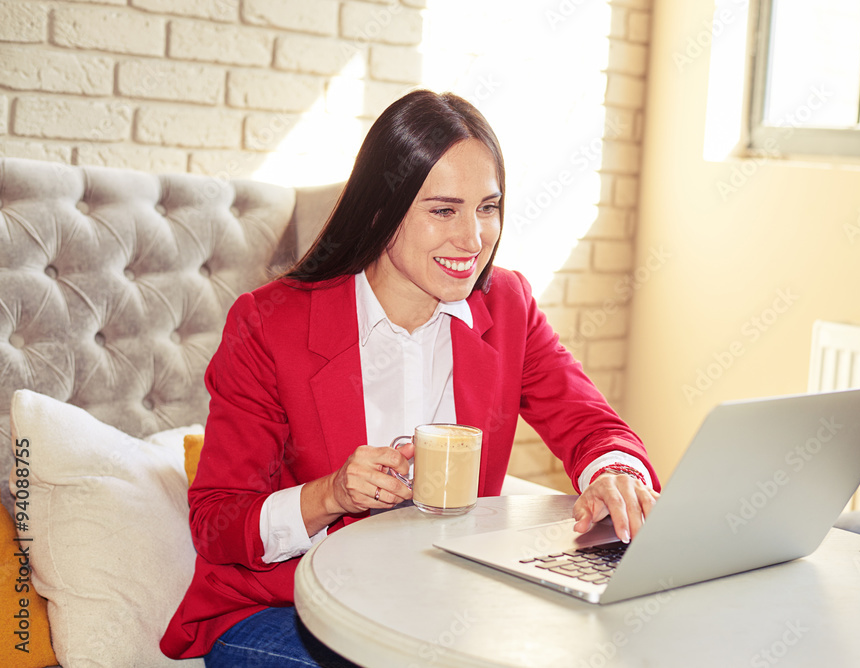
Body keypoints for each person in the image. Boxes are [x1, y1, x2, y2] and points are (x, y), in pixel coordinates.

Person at [160, 89, 660, 667]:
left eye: (488, 208)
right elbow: (218, 521)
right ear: (381, 209)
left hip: (440, 606)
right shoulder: (269, 324)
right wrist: (331, 494)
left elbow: (590, 423)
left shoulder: (508, 306)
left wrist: (617, 475)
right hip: (283, 609)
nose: (472, 240)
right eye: (443, 210)